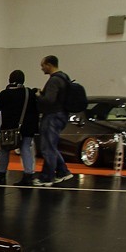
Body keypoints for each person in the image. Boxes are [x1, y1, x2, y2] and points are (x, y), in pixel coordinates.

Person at [35, 55, 74, 186]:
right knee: (51, 146)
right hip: (62, 115)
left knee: (47, 148)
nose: (42, 68)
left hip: (52, 116)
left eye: (43, 65)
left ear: (49, 65)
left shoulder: (54, 80)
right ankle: (63, 171)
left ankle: (47, 177)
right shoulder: (65, 77)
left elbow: (49, 100)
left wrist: (39, 95)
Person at [0, 70, 38, 186]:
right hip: (27, 127)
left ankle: (2, 174)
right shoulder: (29, 93)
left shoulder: (5, 93)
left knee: (5, 150)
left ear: (10, 79)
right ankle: (28, 175)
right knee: (25, 149)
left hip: (9, 127)